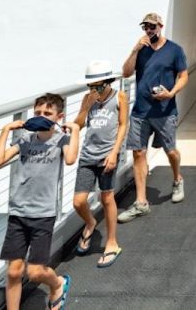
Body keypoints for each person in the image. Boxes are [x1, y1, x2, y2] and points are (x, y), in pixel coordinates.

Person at [0, 93, 79, 310]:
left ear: (59, 116)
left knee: (35, 272)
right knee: (13, 272)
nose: (41, 116)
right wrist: (5, 131)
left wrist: (75, 131)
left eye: (47, 113)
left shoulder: (62, 140)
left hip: (43, 214)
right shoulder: (24, 140)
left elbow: (70, 160)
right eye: (37, 112)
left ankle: (57, 283)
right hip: (18, 211)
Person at [118, 12, 188, 223]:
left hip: (165, 111)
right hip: (141, 111)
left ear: (160, 26)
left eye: (152, 26)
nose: (149, 30)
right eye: (145, 27)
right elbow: (126, 73)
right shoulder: (142, 50)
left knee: (171, 151)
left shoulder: (174, 50)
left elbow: (183, 75)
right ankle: (141, 203)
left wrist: (171, 92)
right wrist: (134, 50)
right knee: (139, 153)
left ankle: (177, 179)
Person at [72, 60, 128, 267]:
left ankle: (112, 242)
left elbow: (123, 125)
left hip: (107, 155)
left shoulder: (119, 97)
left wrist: (114, 153)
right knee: (78, 201)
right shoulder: (88, 98)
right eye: (90, 85)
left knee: (106, 198)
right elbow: (77, 125)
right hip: (88, 155)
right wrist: (86, 107)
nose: (92, 88)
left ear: (106, 81)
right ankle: (90, 222)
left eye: (96, 84)